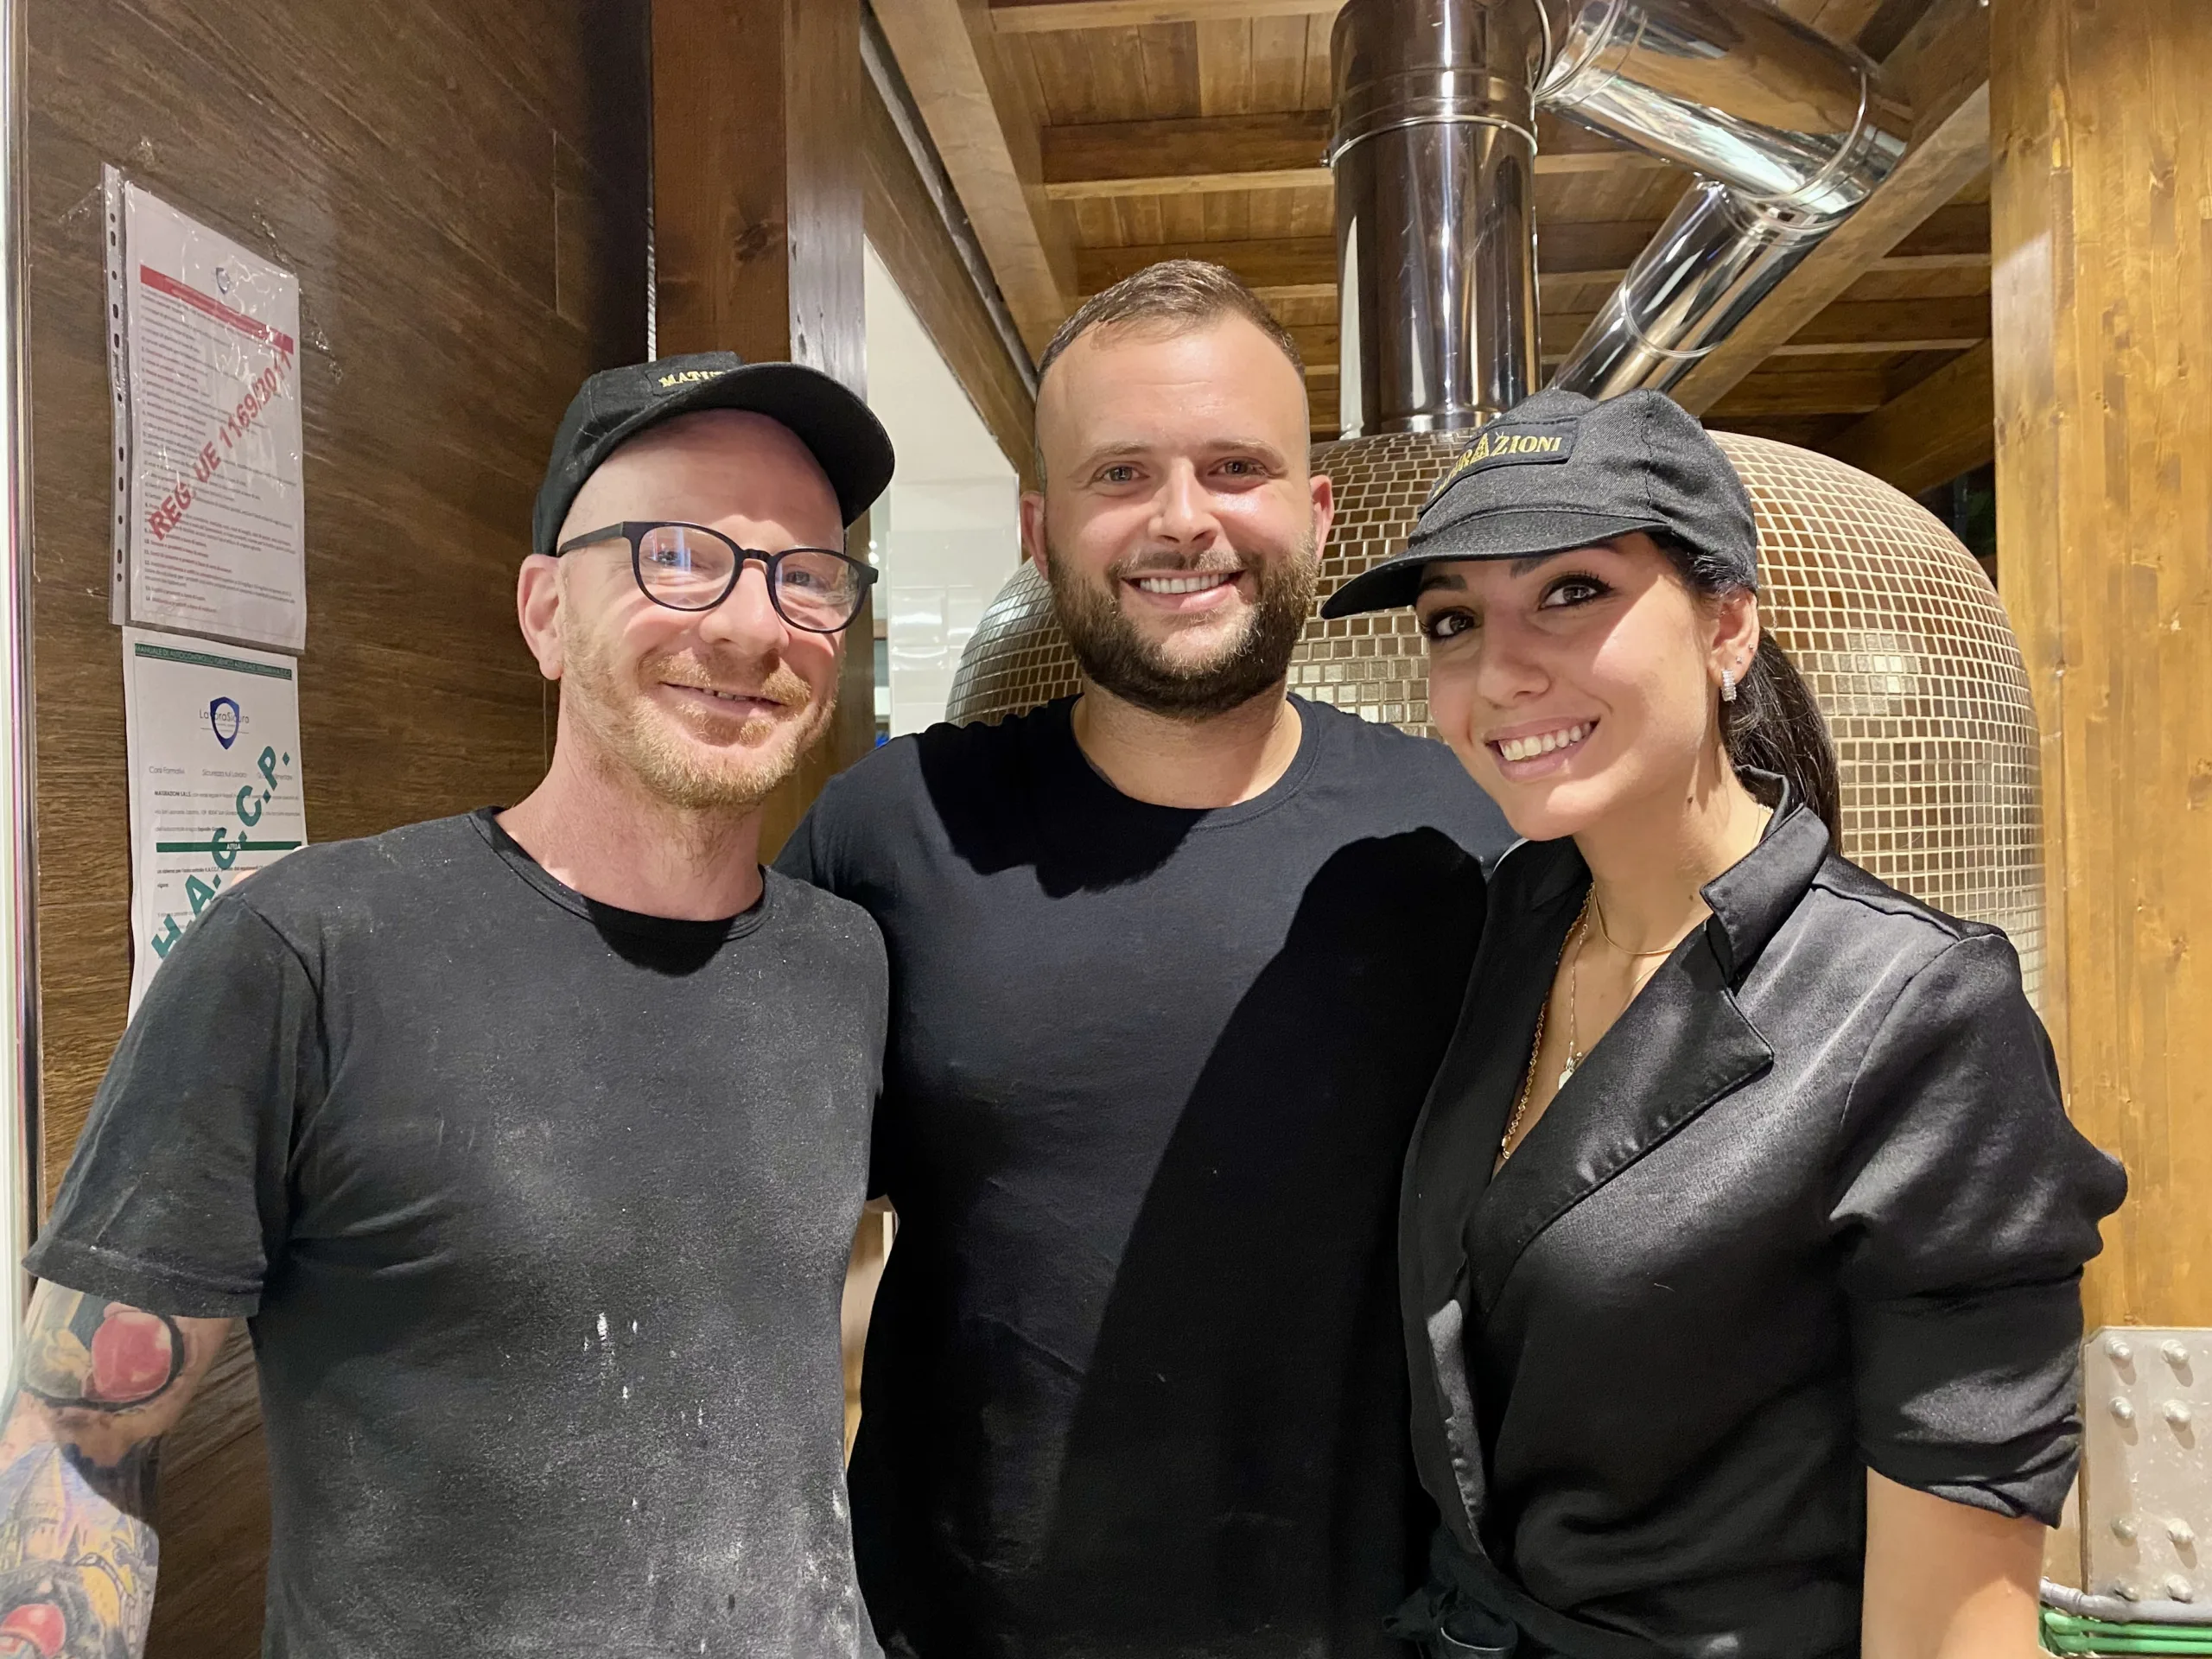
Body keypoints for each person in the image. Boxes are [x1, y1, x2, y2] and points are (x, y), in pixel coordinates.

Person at [3, 352, 898, 1656]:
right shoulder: (306, 953)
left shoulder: (846, 964)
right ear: (545, 612)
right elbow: (77, 1443)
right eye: (674, 556)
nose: (752, 627)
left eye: (805, 576)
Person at [1319, 385, 2128, 1659]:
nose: (1500, 670)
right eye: (1453, 620)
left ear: (1728, 625)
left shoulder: (1915, 1012)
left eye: (1572, 591)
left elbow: (1953, 1631)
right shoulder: (1505, 932)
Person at [777, 260, 1514, 1657]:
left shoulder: (1466, 839)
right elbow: (739, 1224)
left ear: (1316, 515)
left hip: (1377, 1627)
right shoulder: (892, 831)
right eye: (1121, 474)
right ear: (1040, 530)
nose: (1183, 519)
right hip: (954, 1628)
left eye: (1235, 467)